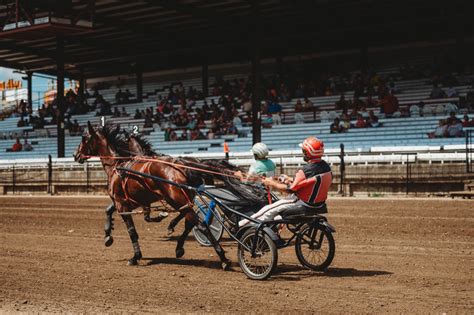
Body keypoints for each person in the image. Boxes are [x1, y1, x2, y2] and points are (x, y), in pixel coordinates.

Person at [239, 137, 332, 227]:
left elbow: (290, 190)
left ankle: (243, 225)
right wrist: (289, 179)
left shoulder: (305, 170)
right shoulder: (326, 167)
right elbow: (309, 181)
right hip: (319, 204)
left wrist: (271, 183)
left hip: (302, 203)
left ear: (308, 153)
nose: (303, 153)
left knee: (267, 210)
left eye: (304, 151)